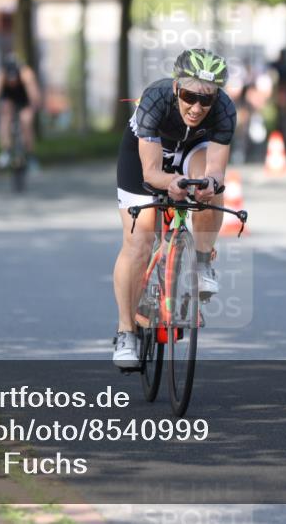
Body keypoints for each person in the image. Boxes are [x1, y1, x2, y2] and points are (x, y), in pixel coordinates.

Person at [111, 48, 237, 368]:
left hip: (193, 148)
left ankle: (203, 260)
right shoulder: (155, 98)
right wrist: (171, 183)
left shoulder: (224, 110)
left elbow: (217, 170)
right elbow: (152, 172)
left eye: (206, 99)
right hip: (147, 156)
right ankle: (126, 331)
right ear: (176, 87)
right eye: (190, 95)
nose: (197, 107)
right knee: (138, 243)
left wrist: (209, 184)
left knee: (208, 186)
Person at [0, 53, 41, 169]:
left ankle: (30, 154)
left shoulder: (26, 74)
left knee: (26, 120)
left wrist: (32, 109)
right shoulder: (0, 75)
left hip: (24, 98)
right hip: (8, 99)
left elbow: (35, 96)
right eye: (10, 78)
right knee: (5, 114)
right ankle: (6, 150)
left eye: (14, 78)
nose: (12, 81)